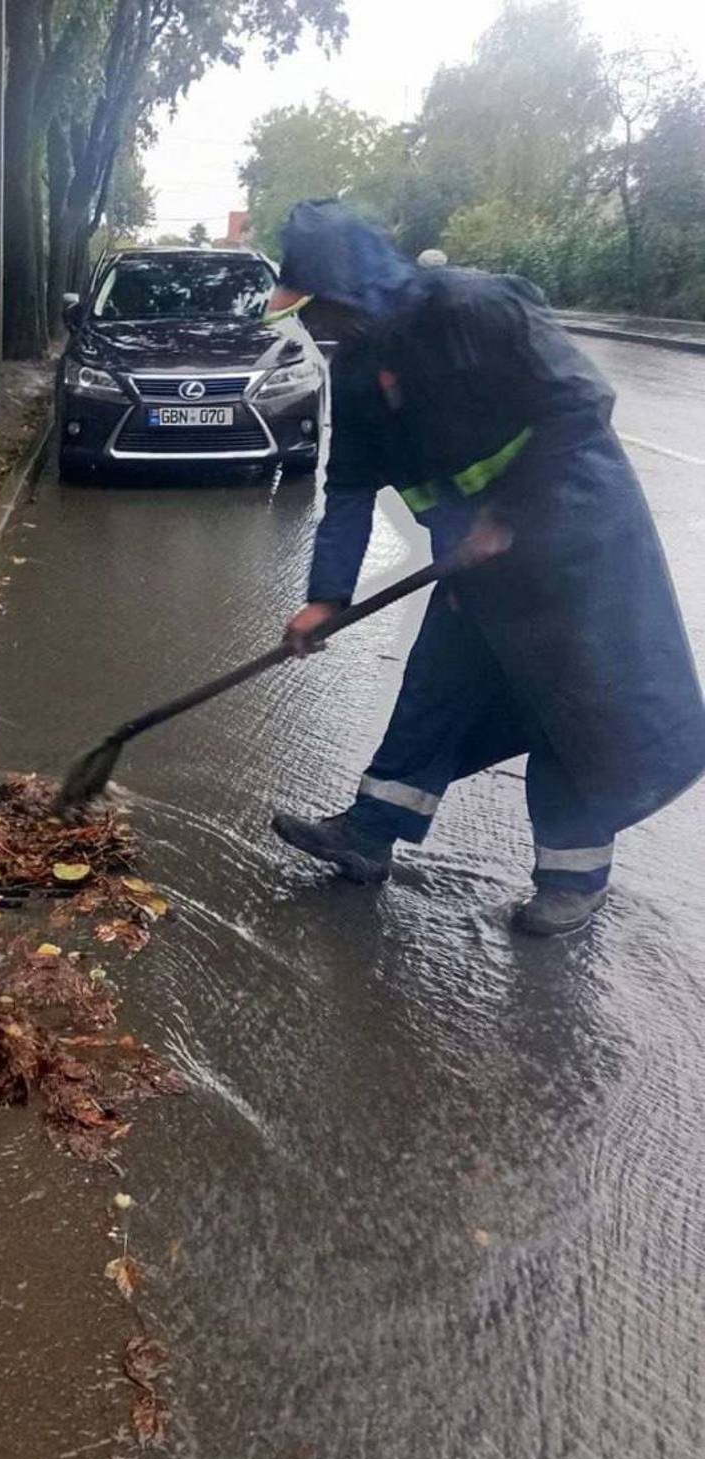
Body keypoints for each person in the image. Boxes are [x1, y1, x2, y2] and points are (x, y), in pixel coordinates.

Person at [268, 200, 705, 936]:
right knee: (436, 687)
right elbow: (346, 492)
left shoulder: (475, 308)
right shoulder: (357, 374)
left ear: (352, 290)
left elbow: (582, 403)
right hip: (475, 565)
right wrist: (325, 599)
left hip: (578, 550)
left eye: (316, 309)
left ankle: (573, 880)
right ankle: (368, 835)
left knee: (570, 710)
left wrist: (513, 512)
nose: (311, 328)